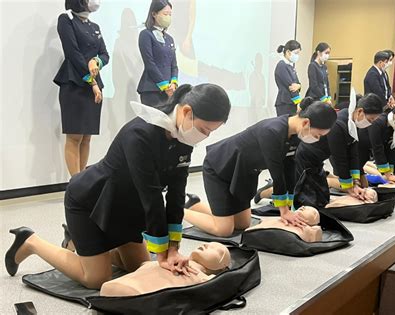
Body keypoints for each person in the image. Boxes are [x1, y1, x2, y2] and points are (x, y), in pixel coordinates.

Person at [5, 84, 231, 289]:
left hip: (127, 207)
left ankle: (80, 243)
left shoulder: (183, 139)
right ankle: (31, 242)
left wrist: (173, 247)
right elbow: (151, 196)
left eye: (210, 132)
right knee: (97, 278)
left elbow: (176, 195)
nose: (204, 137)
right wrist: (162, 253)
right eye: (203, 130)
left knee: (141, 268)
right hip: (91, 201)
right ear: (186, 112)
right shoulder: (140, 134)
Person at [184, 98, 337, 237]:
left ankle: (194, 205)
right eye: (318, 135)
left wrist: (289, 205)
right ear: (306, 123)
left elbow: (289, 168)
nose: (317, 139)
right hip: (219, 167)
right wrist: (284, 211)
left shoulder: (295, 135)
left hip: (243, 172)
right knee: (224, 230)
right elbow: (277, 173)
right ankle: (178, 211)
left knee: (242, 224)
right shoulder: (272, 131)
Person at [53, 0, 109, 176]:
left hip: (94, 87)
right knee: (75, 136)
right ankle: (75, 183)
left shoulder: (95, 26)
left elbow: (104, 54)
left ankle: (82, 181)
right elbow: (73, 54)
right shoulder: (66, 19)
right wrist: (92, 82)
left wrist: (97, 61)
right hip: (75, 84)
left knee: (86, 137)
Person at [100, 242, 231, 297]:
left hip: (140, 296)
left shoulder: (204, 278)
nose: (206, 244)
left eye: (217, 250)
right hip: (122, 288)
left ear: (222, 268)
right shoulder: (170, 260)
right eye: (209, 244)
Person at [327, 91, 383, 198]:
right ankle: (326, 180)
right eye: (370, 119)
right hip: (322, 155)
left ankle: (326, 176)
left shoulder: (354, 122)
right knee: (347, 186)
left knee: (362, 185)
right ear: (360, 111)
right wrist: (349, 186)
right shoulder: (338, 124)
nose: (370, 124)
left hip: (339, 154)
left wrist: (357, 180)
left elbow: (354, 153)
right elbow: (339, 158)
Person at [137, 0, 178, 106]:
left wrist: (173, 83)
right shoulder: (146, 34)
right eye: (165, 14)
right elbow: (149, 63)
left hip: (169, 92)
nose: (168, 17)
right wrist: (164, 86)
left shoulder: (170, 39)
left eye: (170, 14)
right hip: (152, 90)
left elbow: (174, 65)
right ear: (154, 14)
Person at [246, 206, 322, 243]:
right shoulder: (281, 218)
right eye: (303, 206)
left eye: (309, 209)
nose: (303, 207)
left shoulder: (309, 229)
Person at [274, 40, 302, 116]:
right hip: (284, 103)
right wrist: (299, 103)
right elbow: (291, 86)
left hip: (291, 102)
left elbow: (298, 84)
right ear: (288, 52)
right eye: (296, 53)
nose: (297, 56)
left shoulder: (290, 66)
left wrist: (299, 86)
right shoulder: (282, 65)